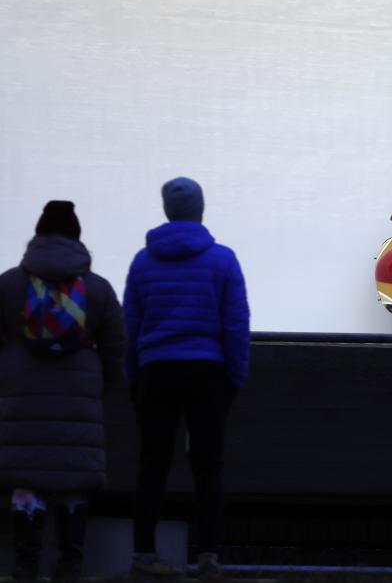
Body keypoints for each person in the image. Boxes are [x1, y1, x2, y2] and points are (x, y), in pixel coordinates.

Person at [123, 178, 250, 579]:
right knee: (208, 465)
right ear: (200, 210)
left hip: (155, 371)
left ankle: (144, 555)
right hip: (208, 372)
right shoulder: (223, 260)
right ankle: (209, 556)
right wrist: (235, 377)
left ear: (167, 210)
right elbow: (236, 324)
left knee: (152, 464)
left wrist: (133, 378)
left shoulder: (143, 262)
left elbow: (130, 326)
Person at [0, 201, 125, 582]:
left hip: (21, 393)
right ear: (77, 238)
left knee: (26, 481)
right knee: (74, 482)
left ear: (37, 236)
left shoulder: (9, 284)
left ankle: (26, 564)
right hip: (78, 394)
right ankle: (70, 564)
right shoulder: (98, 289)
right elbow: (116, 348)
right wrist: (99, 384)